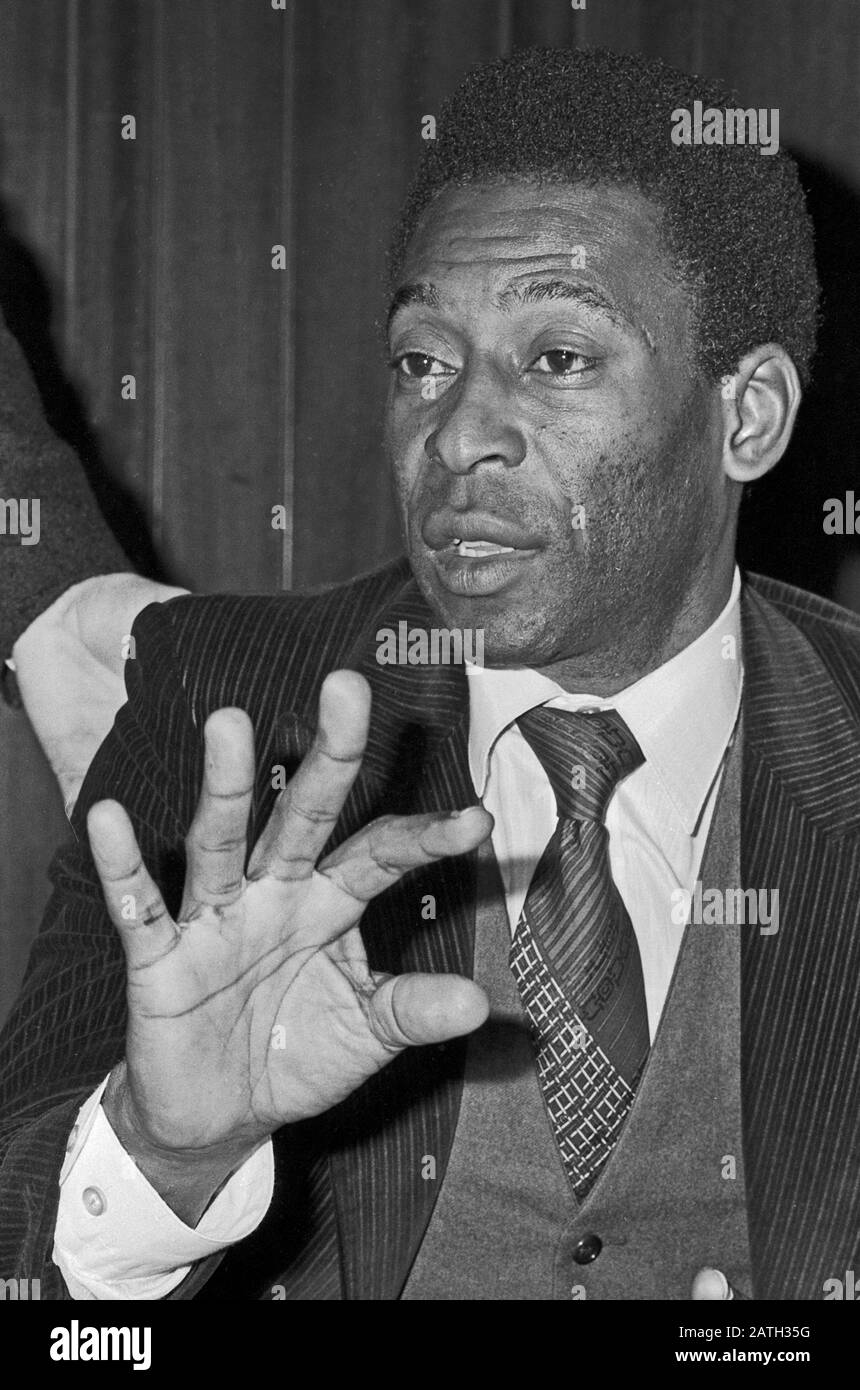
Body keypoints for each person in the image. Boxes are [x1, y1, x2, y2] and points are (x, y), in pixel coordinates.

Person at [0, 46, 857, 1301]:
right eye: (421, 360)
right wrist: (164, 1152)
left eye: (557, 357)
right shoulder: (227, 705)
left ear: (746, 416)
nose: (457, 433)